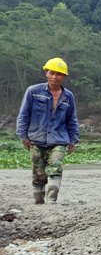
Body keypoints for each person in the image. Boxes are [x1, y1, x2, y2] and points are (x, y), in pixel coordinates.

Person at [16, 57, 79, 204]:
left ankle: (52, 200)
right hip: (36, 138)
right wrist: (23, 136)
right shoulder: (33, 91)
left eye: (59, 74)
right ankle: (39, 201)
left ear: (64, 76)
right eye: (52, 73)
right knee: (38, 173)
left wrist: (73, 139)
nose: (55, 77)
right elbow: (24, 115)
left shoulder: (68, 96)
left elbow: (72, 120)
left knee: (55, 166)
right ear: (46, 73)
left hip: (59, 139)